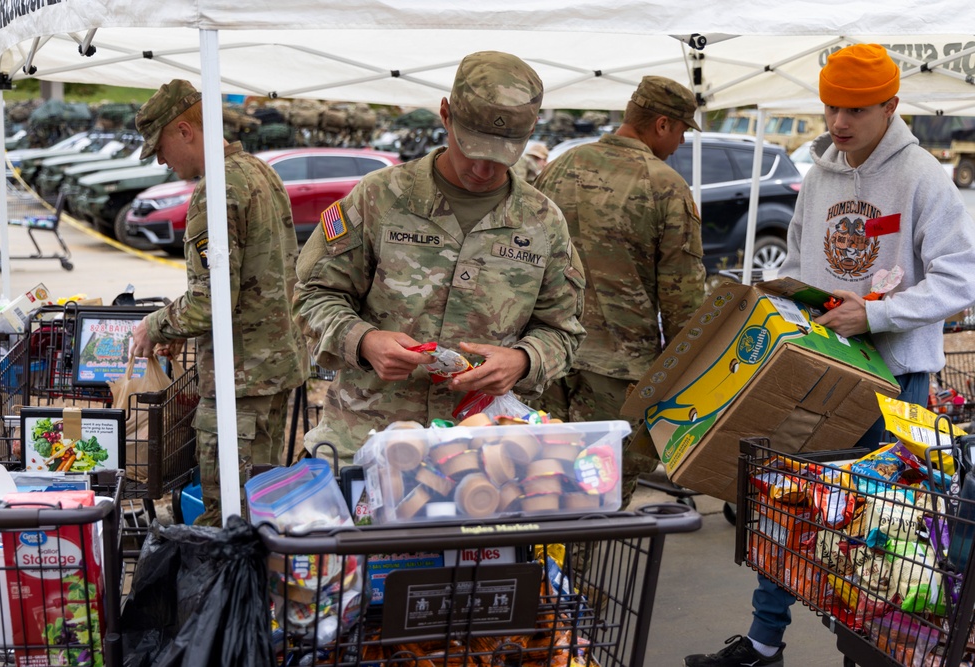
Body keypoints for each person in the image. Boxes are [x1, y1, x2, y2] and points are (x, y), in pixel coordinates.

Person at [685, 43, 975, 667]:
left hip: (896, 382)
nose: (838, 122)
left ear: (891, 106)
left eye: (855, 110)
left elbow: (961, 279)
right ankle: (764, 643)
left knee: (890, 529)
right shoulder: (817, 177)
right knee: (785, 504)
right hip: (815, 370)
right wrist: (792, 304)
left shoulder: (923, 175)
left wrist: (873, 313)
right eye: (830, 107)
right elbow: (795, 263)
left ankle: (882, 649)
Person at [293, 51, 586, 463]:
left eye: (502, 154)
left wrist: (523, 360)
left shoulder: (543, 223)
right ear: (446, 114)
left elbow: (563, 330)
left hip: (484, 455)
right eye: (472, 149)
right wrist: (364, 341)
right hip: (370, 442)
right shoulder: (379, 197)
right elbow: (313, 295)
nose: (484, 169)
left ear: (531, 130)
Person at [130, 79, 308, 526]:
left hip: (238, 383)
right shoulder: (259, 172)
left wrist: (155, 326)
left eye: (161, 145)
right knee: (260, 510)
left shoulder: (218, 191)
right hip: (272, 371)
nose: (160, 159)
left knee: (225, 518)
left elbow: (212, 301)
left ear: (186, 131)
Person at [532, 75, 707, 508]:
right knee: (598, 495)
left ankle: (548, 575)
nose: (682, 141)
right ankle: (581, 578)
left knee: (543, 484)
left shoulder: (559, 166)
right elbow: (682, 298)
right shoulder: (664, 184)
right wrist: (687, 374)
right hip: (618, 372)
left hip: (546, 358)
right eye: (683, 129)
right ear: (662, 125)